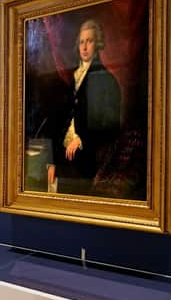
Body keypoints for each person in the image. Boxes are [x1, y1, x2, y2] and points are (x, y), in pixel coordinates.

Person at [48, 19, 121, 195]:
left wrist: (82, 140)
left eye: (90, 41)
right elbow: (64, 121)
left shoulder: (106, 79)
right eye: (82, 41)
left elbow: (111, 126)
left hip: (87, 160)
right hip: (64, 157)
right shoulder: (74, 76)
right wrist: (53, 161)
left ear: (98, 44)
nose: (85, 46)